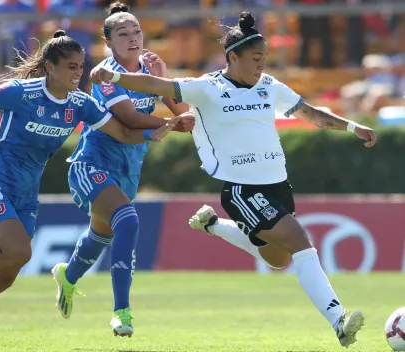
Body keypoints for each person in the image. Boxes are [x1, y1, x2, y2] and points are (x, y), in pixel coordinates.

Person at [89, 11, 378, 348]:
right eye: (256, 59)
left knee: (279, 258)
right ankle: (338, 320)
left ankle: (213, 225)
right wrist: (114, 76)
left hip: (278, 187)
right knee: (299, 239)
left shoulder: (269, 86)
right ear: (233, 57)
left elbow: (310, 113)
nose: (261, 65)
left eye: (265, 59)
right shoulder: (207, 89)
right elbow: (158, 86)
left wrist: (352, 126)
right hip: (242, 190)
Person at [0, 30, 179, 352]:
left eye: (81, 66)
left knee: (6, 274)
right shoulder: (22, 92)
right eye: (70, 67)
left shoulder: (81, 104)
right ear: (50, 67)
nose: (78, 73)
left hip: (26, 195)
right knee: (20, 253)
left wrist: (154, 132)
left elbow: (121, 131)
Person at [51, 1, 193, 338]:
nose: (133, 38)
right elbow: (129, 119)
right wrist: (171, 121)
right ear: (109, 43)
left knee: (101, 235)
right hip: (92, 164)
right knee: (127, 220)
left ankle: (68, 276)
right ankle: (121, 313)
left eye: (137, 31)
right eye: (123, 33)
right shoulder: (104, 74)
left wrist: (164, 81)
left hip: (128, 168)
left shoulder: (151, 66)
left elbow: (185, 116)